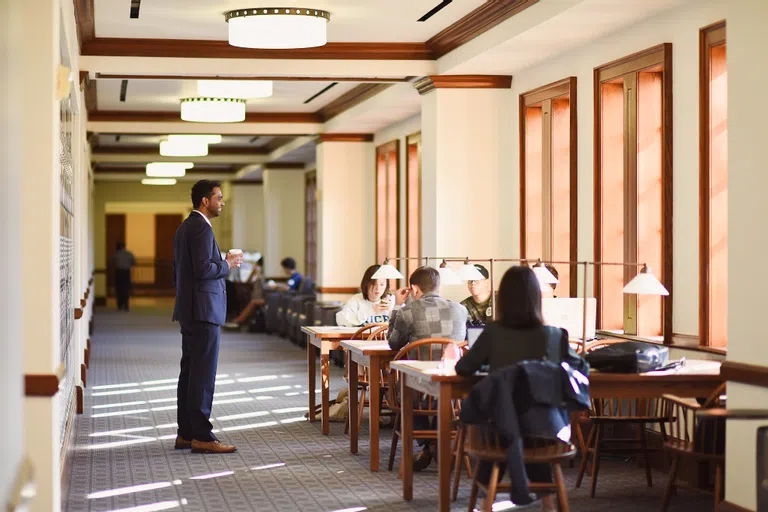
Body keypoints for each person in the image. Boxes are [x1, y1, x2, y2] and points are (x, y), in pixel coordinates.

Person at [455, 265, 587, 512]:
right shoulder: (555, 336)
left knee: (504, 424)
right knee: (531, 424)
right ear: (537, 298)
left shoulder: (493, 332)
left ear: (502, 298)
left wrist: (495, 371)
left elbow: (464, 368)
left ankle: (486, 500)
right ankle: (548, 501)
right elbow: (578, 369)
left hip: (498, 431)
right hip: (547, 431)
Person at [172, 179, 242, 454]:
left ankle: (186, 433)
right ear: (205, 200)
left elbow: (182, 271)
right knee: (202, 374)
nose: (222, 202)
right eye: (219, 198)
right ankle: (202, 435)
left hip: (191, 309)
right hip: (204, 311)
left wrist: (220, 262)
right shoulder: (200, 227)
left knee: (189, 372)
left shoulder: (185, 227)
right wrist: (227, 264)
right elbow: (203, 269)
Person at [387, 266, 468, 470]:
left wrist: (396, 306)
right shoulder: (461, 310)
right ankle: (436, 442)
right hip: (453, 387)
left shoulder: (407, 312)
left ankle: (427, 444)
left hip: (418, 387)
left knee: (406, 388)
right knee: (440, 399)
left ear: (414, 289)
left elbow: (393, 343)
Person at [223, 257, 265, 330]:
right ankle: (239, 320)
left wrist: (256, 271)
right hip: (262, 297)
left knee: (252, 302)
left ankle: (239, 320)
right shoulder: (259, 275)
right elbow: (248, 281)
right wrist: (254, 271)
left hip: (267, 299)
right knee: (247, 299)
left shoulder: (261, 276)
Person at [111, 241, 135, 312]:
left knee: (119, 289)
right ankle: (126, 305)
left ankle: (120, 305)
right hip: (126, 272)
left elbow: (112, 262)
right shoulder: (129, 254)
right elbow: (133, 262)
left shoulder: (116, 254)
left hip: (119, 272)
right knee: (126, 289)